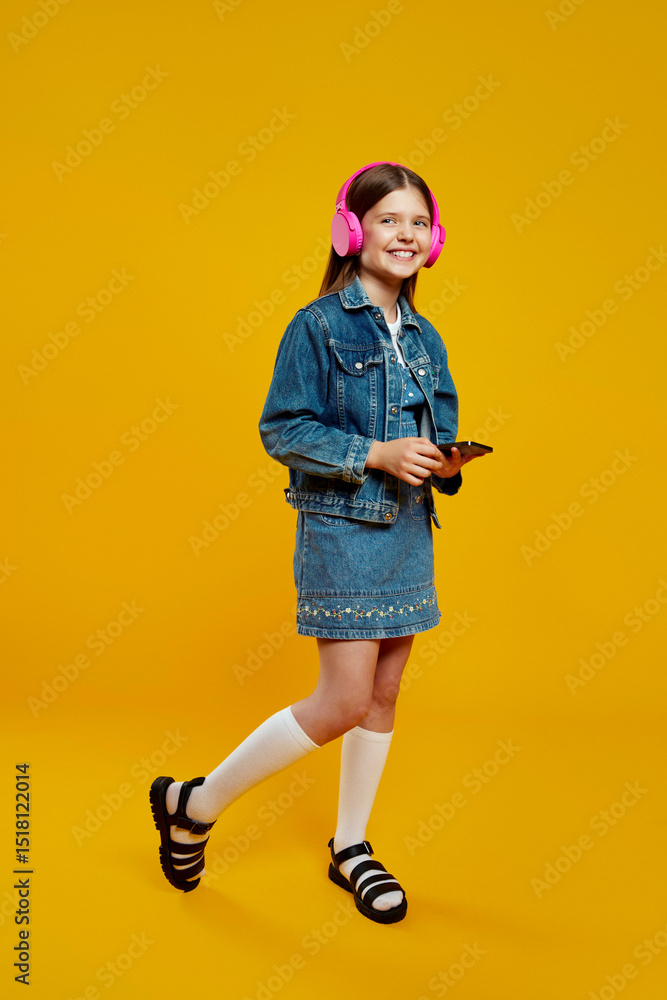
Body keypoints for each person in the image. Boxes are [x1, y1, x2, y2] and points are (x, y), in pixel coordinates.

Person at [149, 161, 487, 925]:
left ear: (431, 241)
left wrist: (440, 462)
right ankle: (194, 806)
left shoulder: (425, 335)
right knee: (340, 701)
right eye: (388, 220)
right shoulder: (318, 325)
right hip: (342, 530)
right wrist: (373, 454)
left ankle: (350, 846)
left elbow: (427, 429)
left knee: (384, 693)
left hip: (405, 528)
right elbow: (282, 428)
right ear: (351, 230)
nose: (404, 234)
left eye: (416, 223)